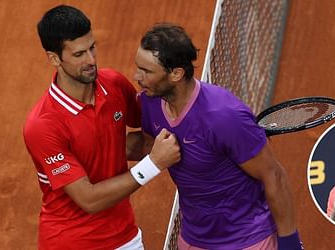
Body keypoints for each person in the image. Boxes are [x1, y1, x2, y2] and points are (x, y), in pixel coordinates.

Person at [132, 23, 302, 250]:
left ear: (176, 74)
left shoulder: (223, 116)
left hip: (248, 238)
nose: (136, 76)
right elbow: (148, 144)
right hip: (194, 239)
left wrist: (290, 244)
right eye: (138, 68)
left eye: (147, 71)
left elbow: (274, 176)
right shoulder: (151, 103)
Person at [23, 5, 180, 249]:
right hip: (71, 242)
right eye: (79, 55)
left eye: (92, 47)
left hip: (125, 236)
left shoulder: (113, 84)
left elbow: (152, 128)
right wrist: (154, 163)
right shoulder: (43, 125)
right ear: (54, 58)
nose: (91, 60)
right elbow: (89, 199)